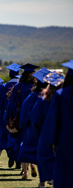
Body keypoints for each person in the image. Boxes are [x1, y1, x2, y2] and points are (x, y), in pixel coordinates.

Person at [29, 71, 64, 187]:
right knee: (60, 158)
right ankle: (55, 179)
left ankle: (42, 181)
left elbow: (34, 118)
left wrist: (38, 131)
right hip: (63, 133)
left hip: (45, 132)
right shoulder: (64, 98)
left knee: (43, 158)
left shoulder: (42, 99)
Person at [4, 63, 38, 170]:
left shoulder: (17, 87)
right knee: (31, 141)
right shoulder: (35, 88)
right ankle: (32, 163)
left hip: (19, 117)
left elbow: (11, 105)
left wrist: (6, 117)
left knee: (21, 142)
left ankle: (24, 170)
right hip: (33, 118)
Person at [17, 67, 50, 179]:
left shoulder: (33, 96)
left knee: (26, 148)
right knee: (45, 152)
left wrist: (22, 125)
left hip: (32, 128)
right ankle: (46, 177)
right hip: (49, 129)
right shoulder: (52, 96)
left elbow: (26, 113)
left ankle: (25, 172)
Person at [45, 60, 73, 188]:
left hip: (65, 140)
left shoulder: (61, 95)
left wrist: (52, 141)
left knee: (64, 171)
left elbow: (53, 120)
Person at [0, 63, 21, 167]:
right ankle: (18, 160)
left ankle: (11, 156)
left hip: (6, 118)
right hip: (20, 118)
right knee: (18, 138)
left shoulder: (4, 87)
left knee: (7, 138)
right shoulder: (23, 87)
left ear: (9, 75)